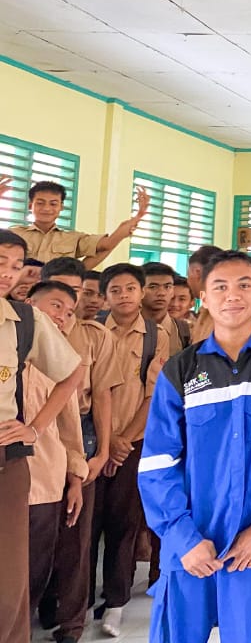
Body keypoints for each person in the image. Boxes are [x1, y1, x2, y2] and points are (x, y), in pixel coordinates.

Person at [138, 250, 251, 643]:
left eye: (244, 286)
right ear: (204, 295)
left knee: (249, 634)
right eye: (221, 286)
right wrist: (182, 537)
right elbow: (157, 463)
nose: (232, 295)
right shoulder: (181, 369)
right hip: (189, 537)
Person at [0, 230, 84, 643]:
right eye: (1, 261)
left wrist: (33, 427)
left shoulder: (23, 323)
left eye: (16, 265)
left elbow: (72, 376)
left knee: (11, 580)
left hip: (11, 464)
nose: (8, 273)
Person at [35, 266, 122, 643]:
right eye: (60, 300)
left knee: (76, 540)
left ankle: (71, 624)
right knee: (34, 542)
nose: (67, 311)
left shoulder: (91, 338)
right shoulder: (19, 334)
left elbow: (98, 397)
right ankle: (38, 609)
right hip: (30, 447)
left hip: (76, 439)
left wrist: (100, 450)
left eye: (75, 301)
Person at [96, 261, 171, 637]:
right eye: (115, 290)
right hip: (93, 443)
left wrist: (123, 441)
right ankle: (71, 603)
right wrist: (106, 442)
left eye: (130, 289)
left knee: (123, 524)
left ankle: (115, 603)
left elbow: (154, 394)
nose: (123, 296)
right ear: (103, 296)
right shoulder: (92, 330)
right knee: (85, 528)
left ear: (140, 293)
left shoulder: (157, 336)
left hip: (133, 443)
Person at [24, 281, 89, 639]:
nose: (63, 316)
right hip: (10, 477)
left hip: (46, 481)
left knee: (34, 569)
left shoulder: (61, 361)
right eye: (56, 306)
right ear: (29, 305)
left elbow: (69, 428)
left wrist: (75, 478)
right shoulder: (9, 350)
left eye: (69, 311)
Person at [0, 178, 150, 269]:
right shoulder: (14, 235)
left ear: (61, 207)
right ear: (30, 206)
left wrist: (138, 216)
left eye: (53, 204)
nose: (46, 208)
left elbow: (106, 245)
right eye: (40, 203)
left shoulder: (73, 238)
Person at [142, 262, 190, 354]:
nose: (161, 293)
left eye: (167, 287)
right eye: (153, 287)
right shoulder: (125, 327)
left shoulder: (185, 331)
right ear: (140, 290)